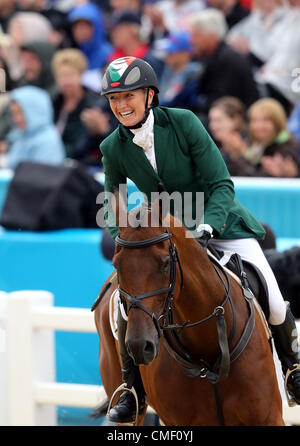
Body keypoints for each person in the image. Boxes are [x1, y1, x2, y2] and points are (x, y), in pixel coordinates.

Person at [99, 56, 300, 423]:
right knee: (122, 306)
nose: (121, 105)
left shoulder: (184, 123)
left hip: (220, 226)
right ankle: (131, 388)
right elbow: (111, 206)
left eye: (129, 96)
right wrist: (127, 238)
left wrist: (206, 227)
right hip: (162, 235)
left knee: (270, 294)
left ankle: (293, 368)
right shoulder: (112, 147)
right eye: (114, 99)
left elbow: (221, 184)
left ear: (149, 95)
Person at [189, 8, 259, 126]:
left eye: (196, 36)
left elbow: (223, 103)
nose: (192, 41)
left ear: (211, 37)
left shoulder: (229, 60)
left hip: (237, 122)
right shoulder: (212, 56)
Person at [51, 48, 116, 167]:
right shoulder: (54, 101)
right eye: (61, 76)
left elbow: (82, 146)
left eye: (70, 75)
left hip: (79, 164)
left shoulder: (95, 104)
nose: (66, 81)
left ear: (81, 74)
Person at [227, 98, 299, 177]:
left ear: (277, 122)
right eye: (254, 120)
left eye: (266, 120)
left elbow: (258, 181)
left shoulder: (287, 147)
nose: (259, 126)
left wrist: (240, 155)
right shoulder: (254, 145)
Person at [1, 85, 65, 169]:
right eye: (13, 113)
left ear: (35, 110)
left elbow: (42, 176)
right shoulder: (21, 136)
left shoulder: (47, 140)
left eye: (20, 112)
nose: (16, 119)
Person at [157, 30, 203, 108]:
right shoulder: (167, 70)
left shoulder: (194, 73)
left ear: (185, 54)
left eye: (172, 52)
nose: (167, 55)